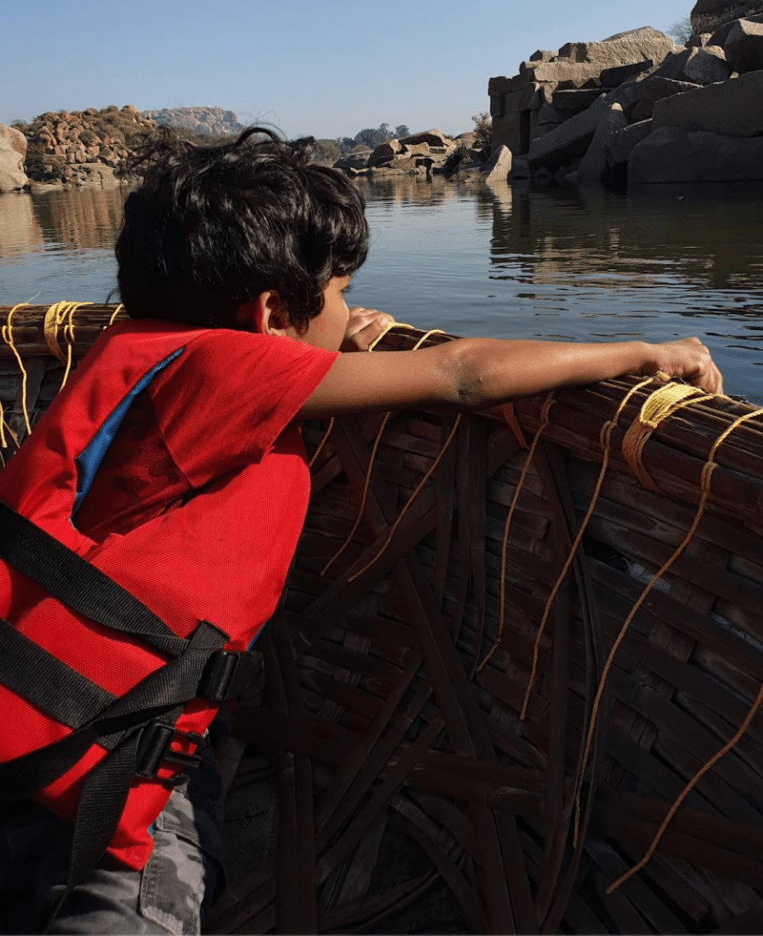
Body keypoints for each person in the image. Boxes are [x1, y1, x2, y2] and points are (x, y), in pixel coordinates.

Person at [0, 128, 723, 934]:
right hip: (104, 767)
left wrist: (326, 332)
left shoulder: (137, 351)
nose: (350, 312)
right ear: (273, 313)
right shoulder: (223, 369)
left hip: (28, 728)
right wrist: (645, 351)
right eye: (341, 292)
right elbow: (461, 374)